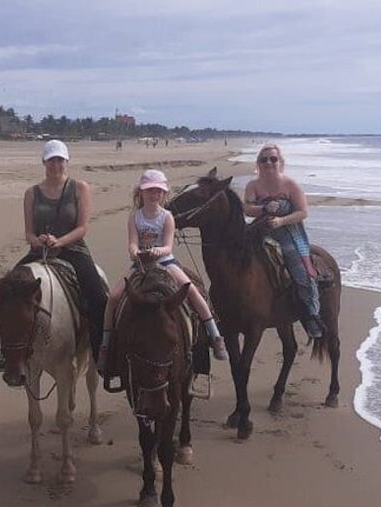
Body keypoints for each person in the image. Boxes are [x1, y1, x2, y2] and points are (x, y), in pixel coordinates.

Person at [96, 169, 228, 373]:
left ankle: (214, 334)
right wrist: (136, 253)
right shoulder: (135, 217)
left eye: (158, 191)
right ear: (141, 192)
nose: (154, 194)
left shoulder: (166, 217)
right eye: (150, 190)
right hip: (141, 265)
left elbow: (168, 246)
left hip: (166, 263)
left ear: (163, 194)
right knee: (114, 297)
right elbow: (131, 244)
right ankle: (106, 344)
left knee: (192, 290)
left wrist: (158, 251)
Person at [0, 139, 107, 371]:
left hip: (73, 250)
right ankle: (6, 354)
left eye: (60, 160)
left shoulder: (79, 188)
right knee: (7, 293)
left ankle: (100, 350)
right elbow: (29, 233)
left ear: (67, 162)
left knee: (98, 297)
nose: (56, 165)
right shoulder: (32, 193)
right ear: (44, 162)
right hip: (39, 251)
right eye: (51, 160)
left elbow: (83, 227)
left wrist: (60, 241)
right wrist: (39, 241)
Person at [243, 143, 323, 338]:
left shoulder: (290, 185)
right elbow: (247, 208)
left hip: (288, 233)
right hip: (260, 231)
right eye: (264, 159)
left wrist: (281, 220)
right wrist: (262, 209)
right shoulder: (253, 185)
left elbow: (303, 212)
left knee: (300, 269)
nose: (268, 163)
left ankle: (311, 314)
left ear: (280, 162)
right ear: (258, 163)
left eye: (273, 159)